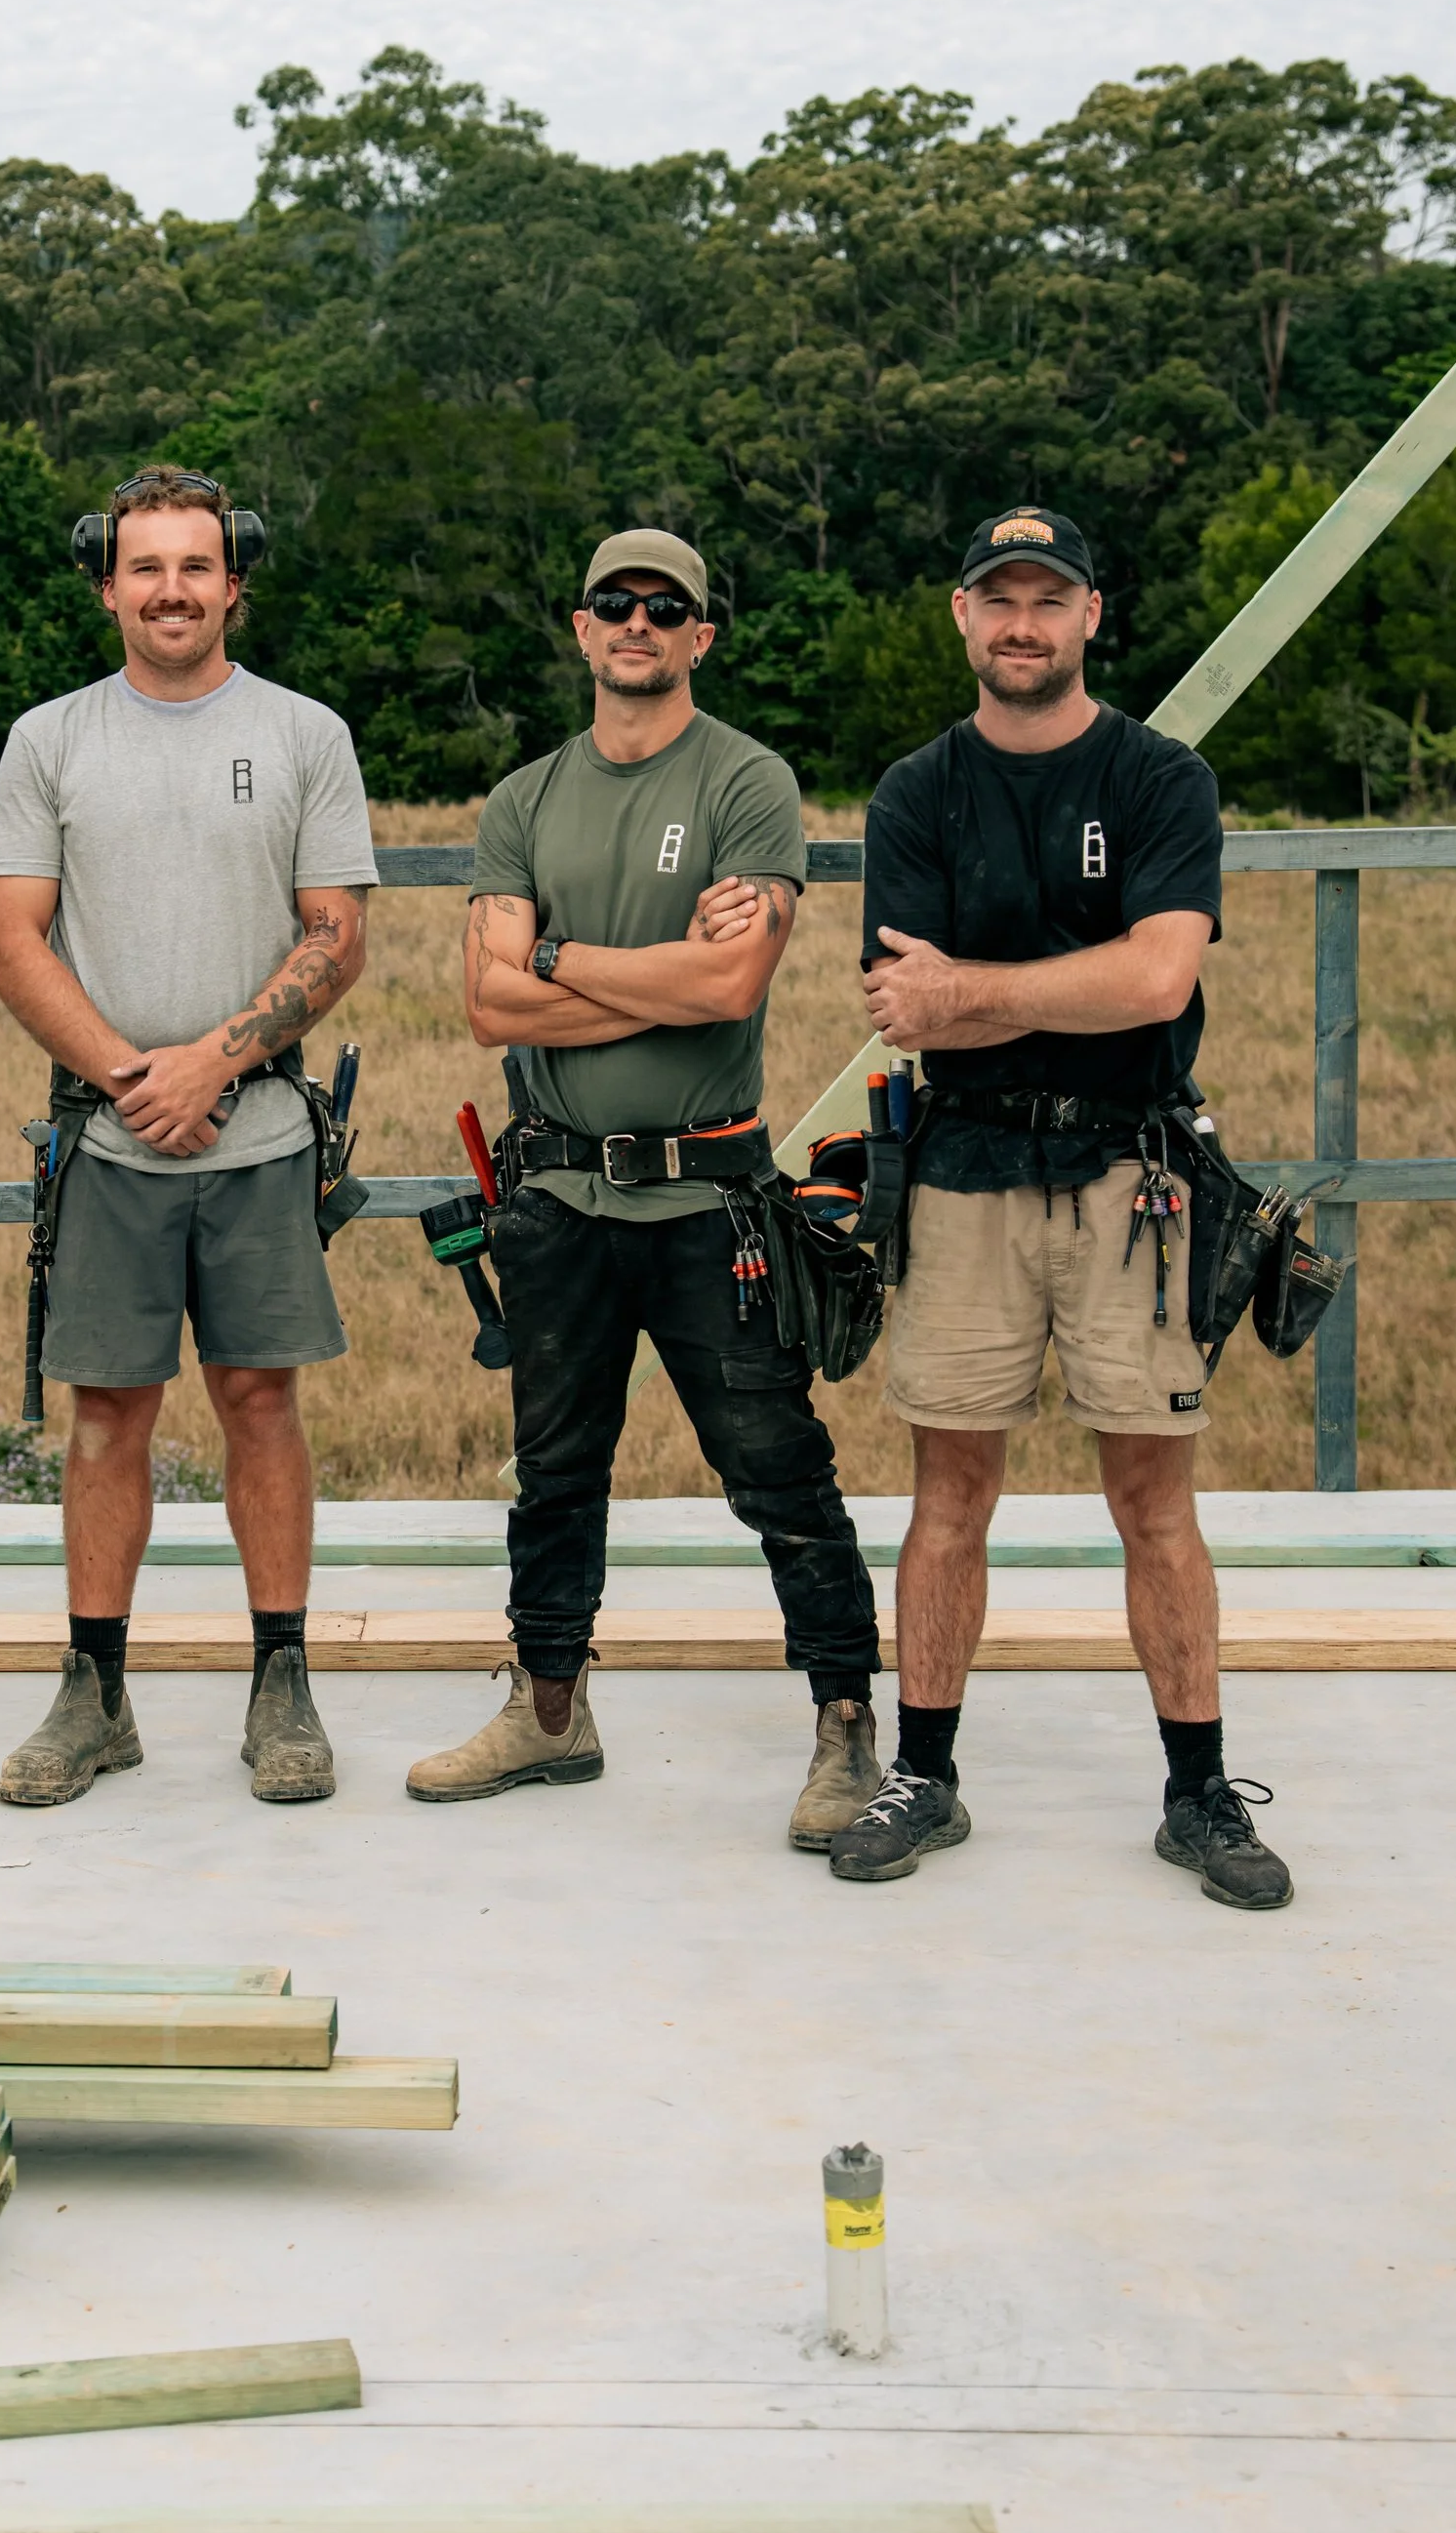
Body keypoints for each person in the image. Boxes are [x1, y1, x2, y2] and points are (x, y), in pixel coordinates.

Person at [826, 502, 1292, 1909]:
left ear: (1094, 616)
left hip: (1129, 1178)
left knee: (1153, 1495)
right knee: (947, 1488)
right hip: (961, 1175)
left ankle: (1200, 1791)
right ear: (961, 619)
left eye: (1049, 599)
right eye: (998, 600)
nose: (1022, 623)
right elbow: (906, 1014)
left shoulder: (1161, 778)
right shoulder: (917, 793)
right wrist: (996, 1001)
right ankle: (926, 1773)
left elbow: (1157, 983)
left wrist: (977, 991)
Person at [406, 529, 880, 1837]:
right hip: (556, 1197)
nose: (638, 624)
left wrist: (554, 958)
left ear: (699, 636)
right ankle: (547, 1715)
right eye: (615, 603)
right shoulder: (524, 800)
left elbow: (731, 985)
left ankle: (846, 1727)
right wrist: (633, 970)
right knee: (554, 1468)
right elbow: (487, 1009)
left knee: (777, 1469)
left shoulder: (747, 782)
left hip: (707, 1201)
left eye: (666, 608)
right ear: (580, 628)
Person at [0, 466, 376, 1810]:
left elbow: (336, 933)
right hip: (109, 1144)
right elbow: (9, 937)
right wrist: (130, 1074)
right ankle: (95, 1692)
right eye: (146, 568)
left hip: (259, 1132)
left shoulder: (306, 734)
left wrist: (218, 1058)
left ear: (234, 582)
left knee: (262, 1404)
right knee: (108, 1419)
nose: (171, 590)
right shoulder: (51, 740)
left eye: (195, 566)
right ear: (109, 586)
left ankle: (282, 1684)